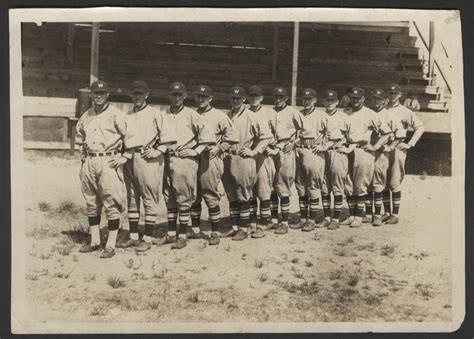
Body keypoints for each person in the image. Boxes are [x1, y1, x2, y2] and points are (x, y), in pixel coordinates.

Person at [76, 80, 138, 258]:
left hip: (108, 160)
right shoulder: (87, 115)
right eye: (96, 93)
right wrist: (83, 156)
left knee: (112, 201)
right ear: (91, 95)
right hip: (90, 160)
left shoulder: (116, 114)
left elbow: (131, 137)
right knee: (91, 202)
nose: (99, 96)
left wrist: (124, 157)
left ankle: (110, 245)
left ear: (108, 95)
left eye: (102, 93)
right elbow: (79, 136)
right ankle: (95, 241)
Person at [118, 81, 177, 252]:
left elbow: (169, 137)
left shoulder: (155, 114)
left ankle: (148, 238)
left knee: (149, 198)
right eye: (135, 94)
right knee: (132, 198)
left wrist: (158, 151)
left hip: (148, 158)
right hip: (130, 157)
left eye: (141, 94)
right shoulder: (126, 115)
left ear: (147, 95)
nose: (137, 97)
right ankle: (134, 237)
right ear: (131, 95)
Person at [158, 82, 211, 250]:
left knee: (184, 198)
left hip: (184, 159)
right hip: (167, 157)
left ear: (185, 96)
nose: (176, 98)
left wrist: (195, 152)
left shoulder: (192, 115)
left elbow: (207, 136)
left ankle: (182, 235)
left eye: (179, 95)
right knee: (169, 197)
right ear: (169, 95)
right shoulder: (163, 114)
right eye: (173, 94)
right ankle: (171, 234)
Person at [222, 87, 272, 241]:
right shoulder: (227, 115)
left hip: (244, 158)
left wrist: (254, 151)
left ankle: (244, 228)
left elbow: (266, 136)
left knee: (244, 194)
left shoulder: (251, 116)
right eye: (232, 98)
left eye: (238, 98)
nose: (235, 101)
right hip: (228, 157)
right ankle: (235, 227)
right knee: (231, 194)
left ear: (244, 100)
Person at [191, 85, 239, 243]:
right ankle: (195, 229)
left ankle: (215, 232)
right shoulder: (191, 114)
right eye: (198, 96)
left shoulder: (219, 115)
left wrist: (219, 149)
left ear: (210, 98)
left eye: (204, 97)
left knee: (210, 194)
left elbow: (232, 136)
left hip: (209, 157)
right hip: (192, 158)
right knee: (194, 195)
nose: (200, 99)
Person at [340, 87, 391, 228]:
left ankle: (358, 216)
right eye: (353, 98)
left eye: (358, 98)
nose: (355, 101)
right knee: (347, 184)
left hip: (363, 150)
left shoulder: (370, 114)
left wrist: (375, 146)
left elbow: (386, 132)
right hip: (348, 148)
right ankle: (351, 215)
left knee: (361, 184)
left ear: (363, 99)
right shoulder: (345, 112)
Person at [383, 84, 425, 224]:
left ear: (400, 95)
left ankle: (395, 214)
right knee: (382, 180)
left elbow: (420, 127)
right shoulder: (381, 109)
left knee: (394, 181)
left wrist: (410, 143)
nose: (392, 96)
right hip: (382, 148)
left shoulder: (405, 111)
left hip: (397, 148)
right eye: (390, 93)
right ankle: (386, 212)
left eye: (395, 93)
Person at [267, 86, 304, 235]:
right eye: (276, 97)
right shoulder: (269, 112)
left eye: (281, 97)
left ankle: (285, 222)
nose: (278, 99)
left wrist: (294, 143)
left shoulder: (293, 112)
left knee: (283, 186)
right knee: (271, 186)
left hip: (285, 151)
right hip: (271, 150)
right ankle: (274, 220)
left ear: (286, 99)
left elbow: (306, 131)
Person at [247, 85, 278, 237]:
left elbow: (279, 134)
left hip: (263, 153)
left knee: (263, 188)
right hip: (248, 154)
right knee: (250, 189)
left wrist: (274, 148)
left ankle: (264, 223)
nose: (254, 99)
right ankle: (252, 221)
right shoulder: (244, 113)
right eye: (251, 96)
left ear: (261, 98)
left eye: (256, 96)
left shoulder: (269, 112)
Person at [294, 88, 326, 231]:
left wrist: (324, 147)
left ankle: (312, 220)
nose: (306, 101)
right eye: (304, 99)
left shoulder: (321, 115)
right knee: (300, 186)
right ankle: (302, 218)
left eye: (309, 99)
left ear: (315, 100)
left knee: (313, 185)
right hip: (299, 150)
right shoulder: (298, 114)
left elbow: (333, 134)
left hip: (313, 150)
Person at [318, 90, 350, 230]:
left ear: (337, 102)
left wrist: (348, 149)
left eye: (332, 101)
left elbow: (351, 137)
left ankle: (335, 218)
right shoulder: (320, 115)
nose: (329, 103)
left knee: (337, 186)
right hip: (321, 153)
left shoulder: (344, 117)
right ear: (323, 102)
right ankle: (326, 217)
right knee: (324, 187)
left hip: (337, 152)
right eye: (327, 100)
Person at [367, 88, 395, 226]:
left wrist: (386, 146)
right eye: (374, 98)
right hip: (367, 151)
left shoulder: (388, 115)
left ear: (384, 100)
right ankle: (367, 213)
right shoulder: (368, 113)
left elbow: (398, 134)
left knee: (378, 182)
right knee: (366, 181)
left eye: (379, 99)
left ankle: (377, 215)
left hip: (380, 151)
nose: (376, 101)